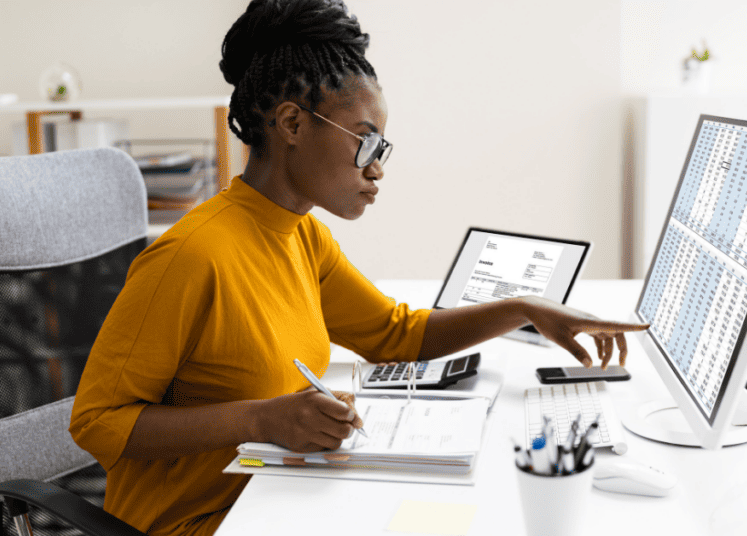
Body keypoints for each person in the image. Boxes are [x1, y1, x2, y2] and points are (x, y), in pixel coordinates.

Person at [69, 1, 648, 535]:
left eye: (383, 149)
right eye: (366, 143)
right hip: (198, 523)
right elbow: (96, 422)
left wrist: (526, 310)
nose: (377, 169)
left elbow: (397, 335)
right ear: (293, 125)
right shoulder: (190, 257)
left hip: (273, 495)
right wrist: (261, 420)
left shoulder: (304, 238)